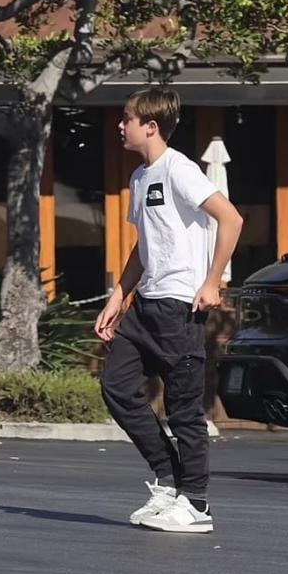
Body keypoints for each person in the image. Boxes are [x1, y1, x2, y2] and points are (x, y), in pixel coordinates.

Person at [94, 87, 243, 533]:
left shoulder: (180, 170)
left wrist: (212, 281)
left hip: (180, 308)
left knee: (182, 411)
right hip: (144, 307)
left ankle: (195, 503)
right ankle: (168, 477)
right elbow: (145, 246)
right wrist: (118, 296)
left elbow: (231, 218)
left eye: (127, 118)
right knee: (116, 388)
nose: (120, 125)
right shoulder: (140, 178)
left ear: (150, 126)